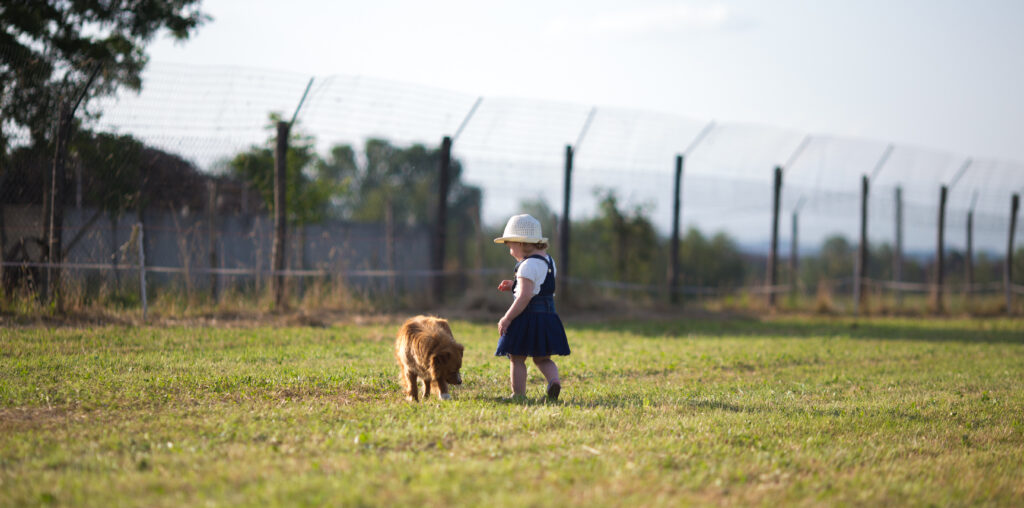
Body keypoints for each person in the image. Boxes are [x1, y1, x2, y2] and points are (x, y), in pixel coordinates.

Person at [493, 213, 571, 401]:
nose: (510, 251)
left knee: (517, 357)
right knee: (542, 358)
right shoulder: (549, 262)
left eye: (509, 246)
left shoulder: (526, 266)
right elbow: (540, 288)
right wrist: (514, 285)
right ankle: (554, 381)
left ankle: (518, 395)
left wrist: (507, 318)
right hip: (547, 317)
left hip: (527, 317)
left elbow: (525, 296)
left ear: (520, 243)